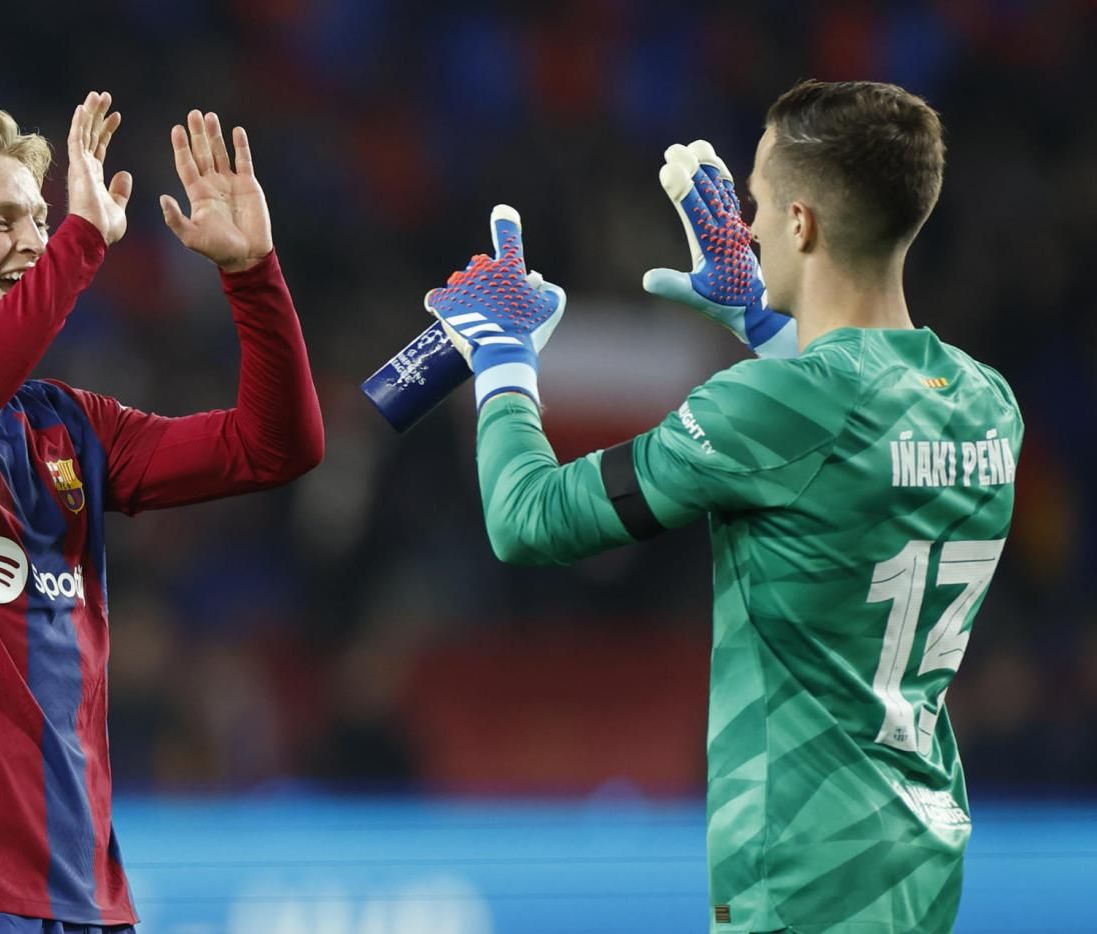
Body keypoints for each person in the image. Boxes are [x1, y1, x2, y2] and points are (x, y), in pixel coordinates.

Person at [424, 80, 1020, 933]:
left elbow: (527, 519)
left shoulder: (765, 410)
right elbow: (862, 436)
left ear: (803, 224)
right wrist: (769, 321)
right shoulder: (986, 401)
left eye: (758, 202)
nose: (746, 225)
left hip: (802, 877)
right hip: (921, 866)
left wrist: (504, 360)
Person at [0, 90, 323, 933]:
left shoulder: (67, 425)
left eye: (41, 219)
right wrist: (80, 245)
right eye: (3, 221)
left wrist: (251, 275)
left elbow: (274, 447)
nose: (35, 240)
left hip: (89, 893)